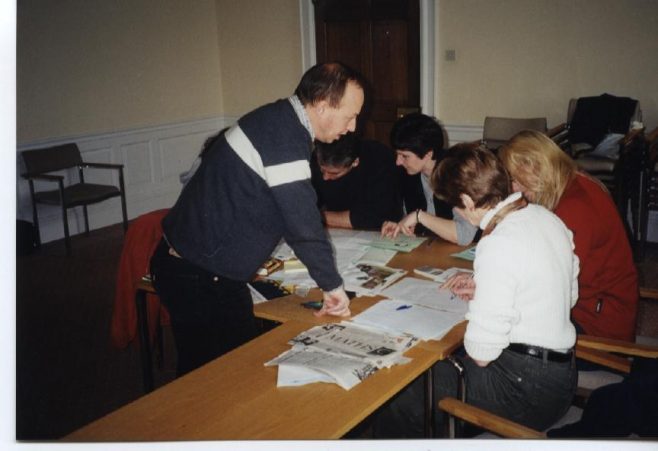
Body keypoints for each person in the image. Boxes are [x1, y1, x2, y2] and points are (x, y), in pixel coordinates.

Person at [149, 62, 365, 376]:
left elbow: (287, 213)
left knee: (223, 371)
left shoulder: (280, 120)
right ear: (322, 105)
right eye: (350, 115)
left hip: (202, 270)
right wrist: (332, 286)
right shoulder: (283, 135)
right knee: (215, 379)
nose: (353, 126)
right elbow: (302, 222)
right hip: (197, 275)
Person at [373, 143, 579, 437]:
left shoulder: (497, 243)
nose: (459, 214)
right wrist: (493, 291)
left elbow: (482, 353)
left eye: (456, 207)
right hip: (562, 377)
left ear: (469, 202)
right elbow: (567, 296)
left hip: (525, 390)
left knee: (402, 385)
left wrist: (484, 305)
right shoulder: (548, 218)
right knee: (431, 382)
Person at [498, 130, 638, 341]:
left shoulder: (575, 207)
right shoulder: (572, 184)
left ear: (537, 168)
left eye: (517, 180)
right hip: (593, 308)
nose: (515, 189)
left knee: (498, 327)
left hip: (597, 326)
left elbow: (548, 285)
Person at [380, 113, 478, 245]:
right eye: (397, 154)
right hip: (432, 249)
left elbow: (465, 235)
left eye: (404, 156)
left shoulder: (457, 175)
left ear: (428, 154)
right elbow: (409, 216)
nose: (398, 161)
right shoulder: (408, 173)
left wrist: (419, 216)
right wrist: (399, 225)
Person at [310, 132, 403, 230]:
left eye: (334, 173)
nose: (325, 177)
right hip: (338, 230)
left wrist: (320, 216)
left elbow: (378, 217)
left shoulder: (379, 158)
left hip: (380, 233)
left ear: (355, 162)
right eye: (322, 170)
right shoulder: (316, 156)